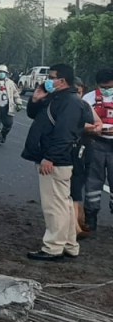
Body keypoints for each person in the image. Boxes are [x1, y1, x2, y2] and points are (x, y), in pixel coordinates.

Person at [22, 64, 90, 261]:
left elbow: (64, 134)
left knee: (54, 206)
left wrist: (50, 157)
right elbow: (36, 115)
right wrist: (35, 100)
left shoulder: (69, 102)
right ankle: (69, 244)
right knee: (64, 204)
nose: (47, 80)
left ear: (62, 80)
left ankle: (53, 247)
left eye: (51, 77)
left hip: (56, 160)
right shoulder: (59, 98)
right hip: (57, 159)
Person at [82, 68, 113, 233]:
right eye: (104, 87)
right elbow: (80, 121)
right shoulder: (89, 99)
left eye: (110, 86)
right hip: (96, 144)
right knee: (93, 183)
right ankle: (91, 217)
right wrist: (92, 129)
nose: (107, 90)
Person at [73, 78, 102, 238]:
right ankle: (81, 222)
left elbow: (97, 122)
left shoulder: (85, 105)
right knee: (79, 187)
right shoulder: (86, 100)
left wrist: (95, 127)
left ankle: (78, 224)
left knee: (78, 186)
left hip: (87, 147)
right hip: (78, 148)